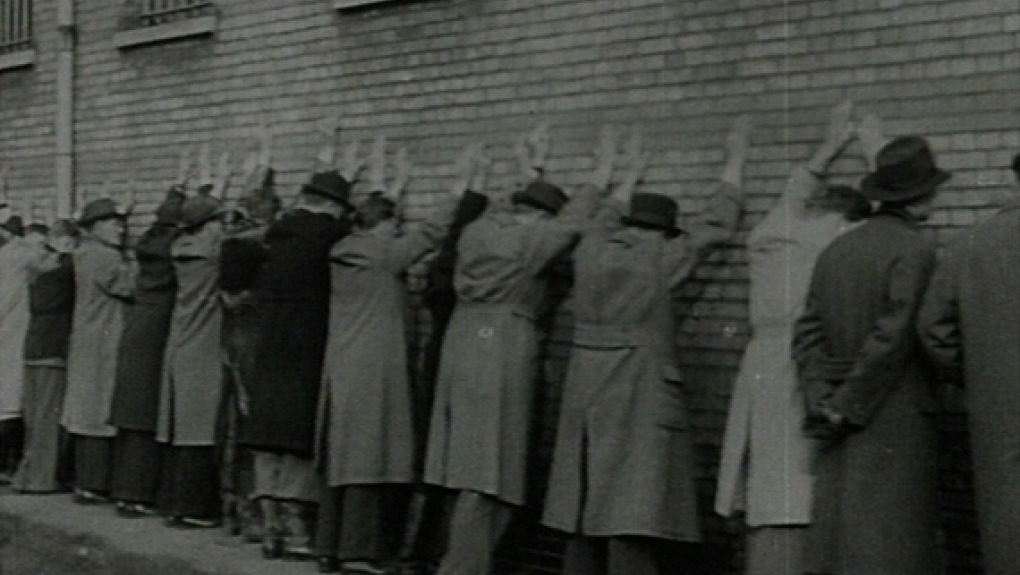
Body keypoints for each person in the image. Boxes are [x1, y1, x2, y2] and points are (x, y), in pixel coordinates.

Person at [541, 119, 750, 575]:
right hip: (638, 391)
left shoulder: (590, 249)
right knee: (631, 511)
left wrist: (627, 175)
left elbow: (601, 216)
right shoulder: (662, 256)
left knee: (583, 506)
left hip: (584, 391)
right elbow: (716, 226)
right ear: (665, 230)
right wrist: (734, 163)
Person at [423, 123, 601, 575]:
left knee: (465, 466)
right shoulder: (532, 241)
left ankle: (455, 559)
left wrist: (530, 170)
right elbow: (572, 224)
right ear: (542, 217)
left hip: (462, 343)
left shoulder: (478, 232)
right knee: (490, 469)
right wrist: (602, 177)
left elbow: (513, 210)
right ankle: (462, 568)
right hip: (503, 347)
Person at [714, 102, 871, 575]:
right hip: (801, 364)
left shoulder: (772, 235)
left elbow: (794, 189)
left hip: (759, 364)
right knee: (794, 488)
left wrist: (828, 145)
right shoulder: (837, 240)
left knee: (766, 482)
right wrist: (871, 149)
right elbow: (891, 221)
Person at [315, 140, 481, 574]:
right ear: (384, 228)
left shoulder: (346, 250)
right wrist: (459, 188)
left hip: (343, 365)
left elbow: (391, 230)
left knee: (341, 459)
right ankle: (358, 551)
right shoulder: (383, 256)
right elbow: (429, 234)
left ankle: (329, 546)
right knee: (368, 460)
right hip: (374, 369)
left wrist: (391, 189)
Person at [792, 134, 950, 575]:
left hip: (837, 412)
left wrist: (822, 398)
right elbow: (894, 336)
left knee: (842, 539)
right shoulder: (916, 249)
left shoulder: (838, 249)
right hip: (894, 411)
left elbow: (806, 331)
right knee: (893, 539)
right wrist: (848, 404)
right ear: (920, 196)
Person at [239, 127, 358, 560]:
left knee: (266, 431)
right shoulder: (329, 235)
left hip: (269, 340)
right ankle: (293, 524)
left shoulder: (275, 234)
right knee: (298, 430)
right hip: (308, 341)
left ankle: (266, 520)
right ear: (332, 206)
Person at [917, 154, 1020, 575]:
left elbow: (933, 328)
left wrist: (973, 373)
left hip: (997, 408)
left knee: (1007, 516)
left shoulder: (969, 244)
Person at [107, 184, 186, 517]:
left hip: (137, 329)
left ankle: (124, 490)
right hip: (157, 333)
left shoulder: (147, 246)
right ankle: (138, 494)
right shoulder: (172, 255)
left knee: (130, 417)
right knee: (147, 415)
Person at [157, 182, 229, 528]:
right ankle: (194, 507)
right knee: (200, 430)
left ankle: (174, 502)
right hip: (204, 346)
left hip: (181, 342)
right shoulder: (213, 251)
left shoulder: (180, 247)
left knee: (182, 428)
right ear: (209, 224)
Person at [61, 197, 136, 504]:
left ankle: (85, 480)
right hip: (104, 340)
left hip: (89, 338)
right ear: (96, 227)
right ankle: (94, 483)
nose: (121, 229)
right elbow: (129, 286)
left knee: (87, 410)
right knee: (99, 411)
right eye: (114, 223)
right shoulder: (104, 256)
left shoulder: (84, 252)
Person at [12, 216, 78, 493]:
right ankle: (42, 479)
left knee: (34, 417)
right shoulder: (63, 269)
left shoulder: (35, 268)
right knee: (49, 417)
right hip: (54, 349)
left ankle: (26, 475)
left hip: (33, 347)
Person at [0, 203, 51, 481]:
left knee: (8, 399)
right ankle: (9, 463)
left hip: (11, 334)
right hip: (15, 334)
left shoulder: (10, 256)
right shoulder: (17, 257)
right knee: (12, 400)